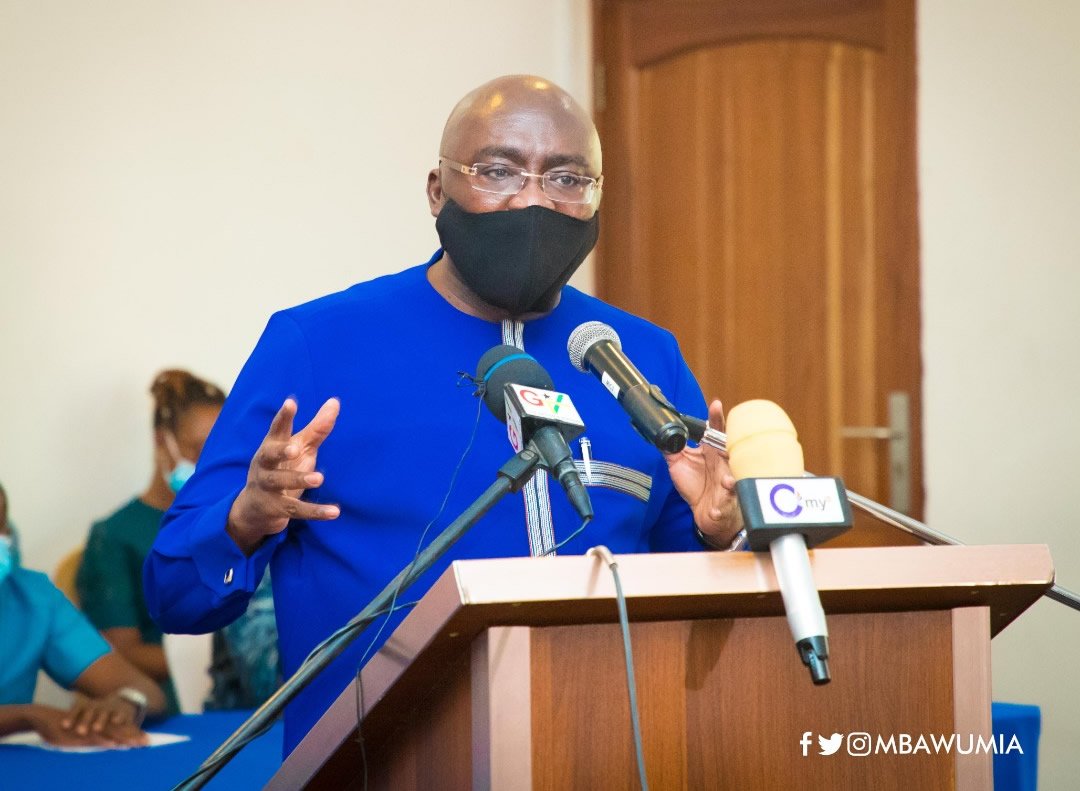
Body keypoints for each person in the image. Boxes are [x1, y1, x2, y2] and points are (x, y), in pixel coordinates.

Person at [145, 74, 743, 756]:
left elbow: (696, 591)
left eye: (567, 179)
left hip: (605, 750)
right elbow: (174, 593)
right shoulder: (317, 345)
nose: (533, 200)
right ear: (437, 190)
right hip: (379, 761)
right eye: (498, 171)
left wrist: (720, 532)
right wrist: (245, 518)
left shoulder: (640, 355)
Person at [77, 369, 227, 715]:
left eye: (222, 450)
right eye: (199, 449)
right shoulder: (114, 536)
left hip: (247, 704)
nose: (212, 464)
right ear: (163, 441)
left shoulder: (237, 522)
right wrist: (223, 661)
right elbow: (118, 652)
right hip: (165, 709)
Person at [0, 481, 167, 747]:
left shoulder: (34, 598)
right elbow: (28, 716)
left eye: (0, 525)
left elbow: (144, 688)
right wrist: (24, 716)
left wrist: (126, 702)